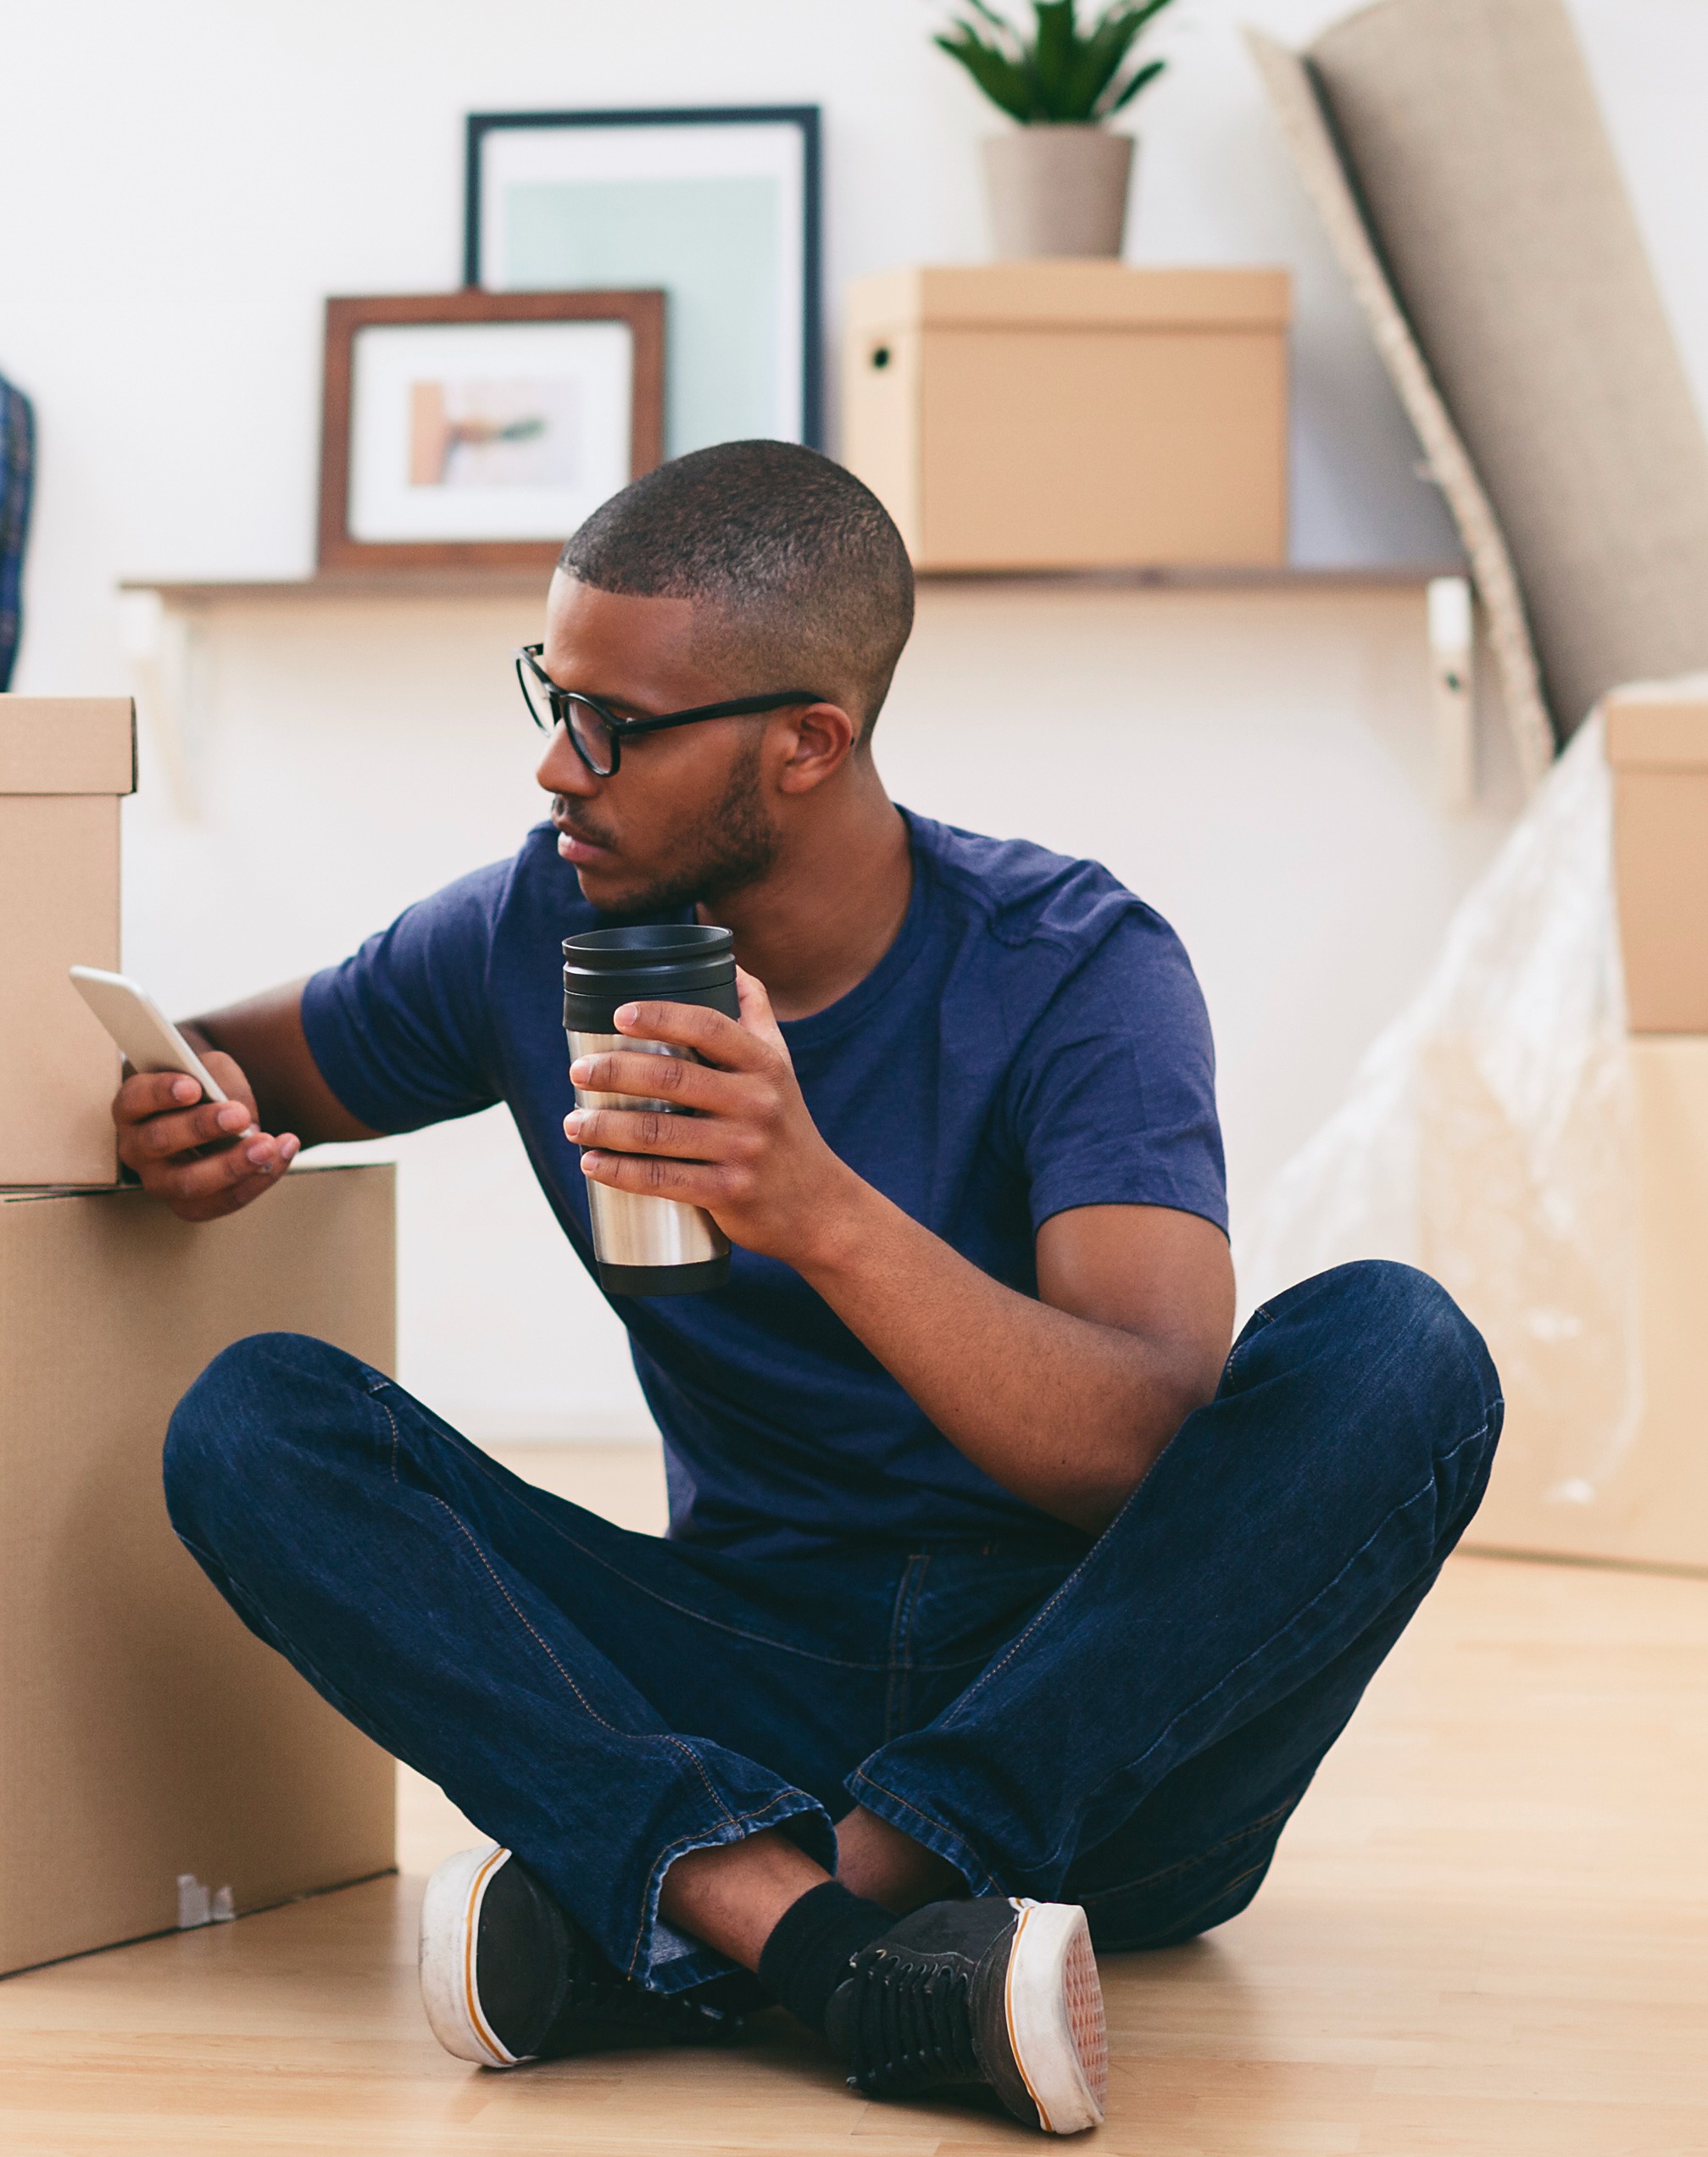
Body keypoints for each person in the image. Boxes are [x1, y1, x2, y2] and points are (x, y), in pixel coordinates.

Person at [136, 440, 1500, 2137]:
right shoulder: (526, 929)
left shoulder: (1071, 968)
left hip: (1098, 1723)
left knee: (1399, 1349)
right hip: (748, 1659)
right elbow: (226, 1056)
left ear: (809, 741)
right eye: (548, 697)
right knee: (259, 1420)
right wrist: (175, 1108)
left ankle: (762, 1899)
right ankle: (834, 1950)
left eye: (615, 725)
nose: (561, 769)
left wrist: (822, 1210)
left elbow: (1148, 1442)